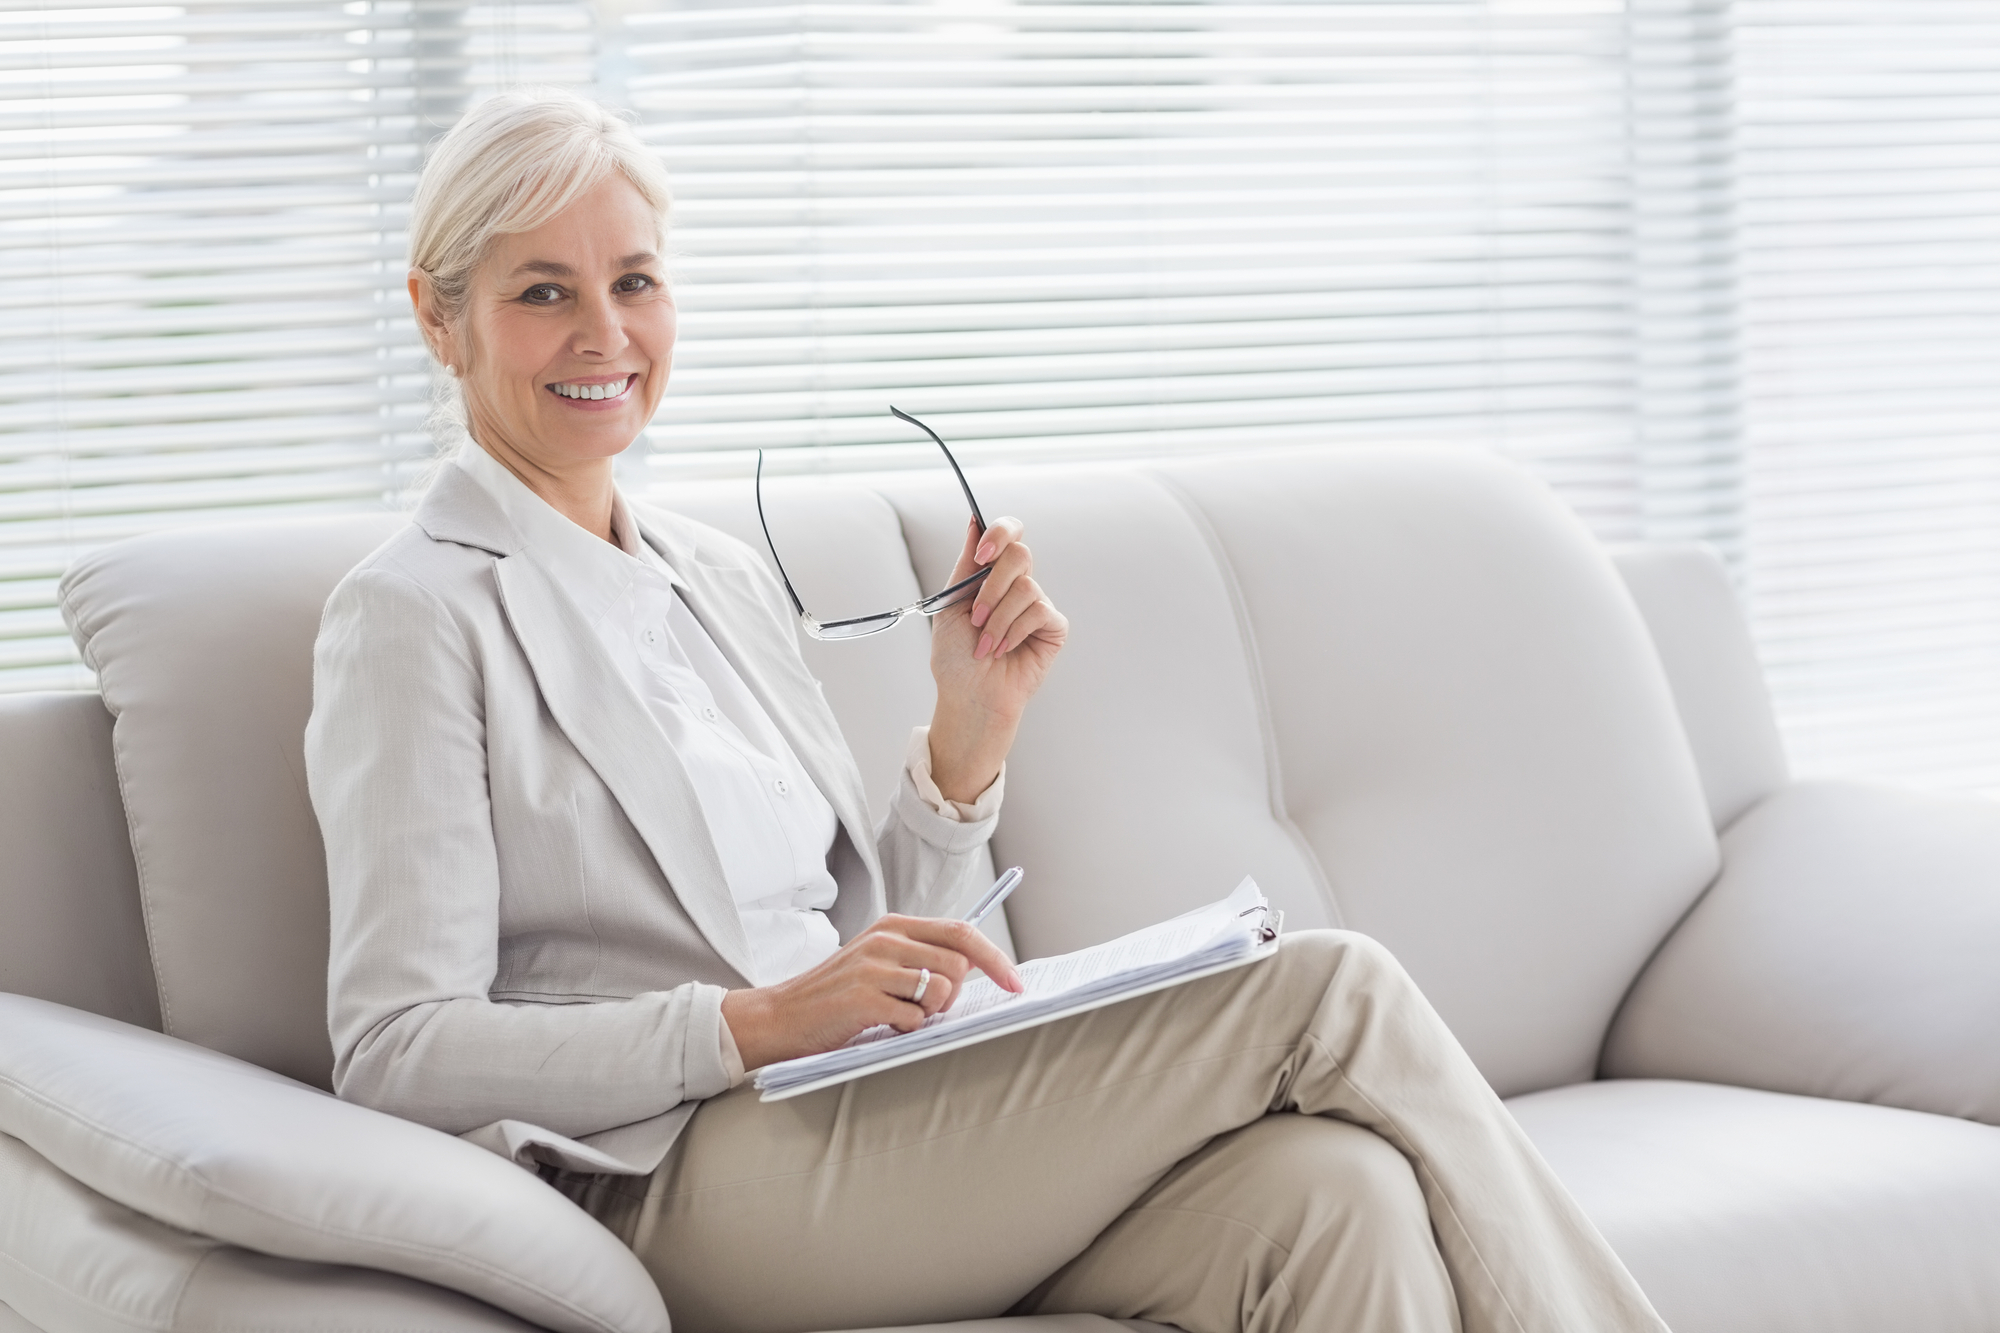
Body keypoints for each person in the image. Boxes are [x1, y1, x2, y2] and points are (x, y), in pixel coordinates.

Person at [304, 87, 1670, 1333]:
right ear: (439, 317)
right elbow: (394, 1049)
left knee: (1334, 1198)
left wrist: (969, 738)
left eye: (636, 281)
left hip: (862, 1109)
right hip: (680, 1173)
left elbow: (870, 943)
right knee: (1332, 987)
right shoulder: (415, 614)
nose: (605, 334)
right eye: (544, 292)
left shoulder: (713, 579)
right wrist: (747, 1025)